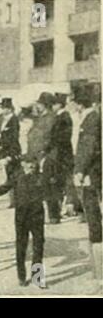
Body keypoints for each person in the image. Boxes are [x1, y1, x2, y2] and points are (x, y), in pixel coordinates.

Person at [0, 154, 46, 287]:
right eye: (29, 162)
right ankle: (21, 277)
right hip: (22, 216)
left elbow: (51, 190)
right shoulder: (17, 176)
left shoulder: (41, 176)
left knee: (38, 245)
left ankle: (37, 278)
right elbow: (3, 188)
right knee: (21, 245)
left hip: (37, 215)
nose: (32, 165)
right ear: (22, 164)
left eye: (34, 162)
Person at [73, 88, 102, 281]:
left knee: (94, 221)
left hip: (92, 174)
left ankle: (99, 273)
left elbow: (89, 146)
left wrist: (81, 170)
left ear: (79, 103)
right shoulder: (91, 117)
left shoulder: (91, 119)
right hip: (93, 172)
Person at [47, 93, 76, 218]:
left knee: (64, 181)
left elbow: (64, 136)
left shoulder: (64, 116)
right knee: (60, 181)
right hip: (59, 153)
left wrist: (51, 143)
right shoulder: (59, 116)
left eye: (53, 104)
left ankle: (69, 206)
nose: (52, 107)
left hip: (62, 154)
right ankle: (63, 208)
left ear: (59, 104)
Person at [0, 98, 21, 208]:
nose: (4, 110)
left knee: (13, 175)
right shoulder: (1, 119)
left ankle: (15, 200)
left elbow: (14, 138)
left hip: (11, 150)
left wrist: (11, 154)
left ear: (10, 109)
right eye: (3, 108)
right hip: (3, 150)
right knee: (8, 174)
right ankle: (12, 200)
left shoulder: (14, 120)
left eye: (6, 108)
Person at [27, 92, 56, 159]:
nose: (38, 106)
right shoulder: (39, 118)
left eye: (40, 104)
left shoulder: (50, 118)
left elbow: (47, 135)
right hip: (34, 152)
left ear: (45, 105)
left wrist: (42, 150)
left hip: (43, 153)